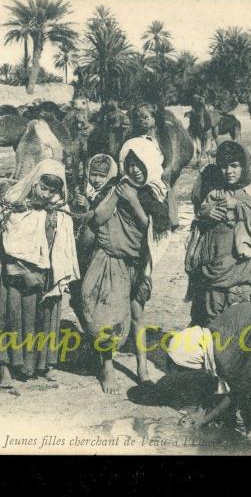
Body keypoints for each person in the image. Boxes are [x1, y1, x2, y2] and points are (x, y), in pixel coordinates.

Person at [80, 137, 171, 394]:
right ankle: (107, 368)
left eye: (139, 166)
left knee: (138, 315)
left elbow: (152, 228)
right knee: (110, 315)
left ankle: (142, 368)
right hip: (114, 260)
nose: (134, 170)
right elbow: (99, 218)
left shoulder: (156, 193)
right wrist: (117, 195)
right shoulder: (117, 186)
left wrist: (133, 200)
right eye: (129, 165)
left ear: (150, 165)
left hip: (139, 263)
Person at [0, 159, 79, 387]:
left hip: (44, 272)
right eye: (43, 188)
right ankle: (5, 367)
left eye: (53, 190)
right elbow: (8, 239)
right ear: (34, 181)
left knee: (41, 318)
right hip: (14, 271)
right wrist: (23, 269)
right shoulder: (14, 202)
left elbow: (63, 243)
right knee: (11, 317)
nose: (47, 194)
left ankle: (39, 364)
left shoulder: (58, 208)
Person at [166, 298, 251, 446]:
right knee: (243, 382)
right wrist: (201, 412)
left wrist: (202, 421)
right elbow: (216, 379)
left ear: (192, 358)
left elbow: (234, 392)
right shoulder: (208, 335)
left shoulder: (221, 356)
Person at [185, 141, 251, 326]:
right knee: (212, 326)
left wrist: (239, 206)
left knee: (245, 327)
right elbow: (198, 235)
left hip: (244, 278)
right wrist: (205, 214)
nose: (229, 171)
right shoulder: (214, 194)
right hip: (215, 277)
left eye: (234, 166)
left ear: (244, 166)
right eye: (223, 166)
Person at [68, 154, 118, 319]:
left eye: (102, 176)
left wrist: (88, 206)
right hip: (82, 247)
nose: (96, 179)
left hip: (98, 248)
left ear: (109, 175)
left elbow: (100, 217)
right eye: (93, 174)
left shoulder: (110, 193)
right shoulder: (85, 190)